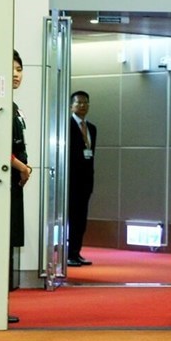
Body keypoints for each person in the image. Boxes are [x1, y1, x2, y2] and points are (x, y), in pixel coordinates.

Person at [9, 50, 32, 324]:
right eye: (12, 68)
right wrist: (22, 168)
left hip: (16, 182)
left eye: (19, 68)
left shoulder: (14, 107)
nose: (16, 74)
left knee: (11, 242)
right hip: (9, 180)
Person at [67, 91, 97, 267]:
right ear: (71, 106)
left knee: (81, 219)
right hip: (71, 181)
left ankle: (76, 253)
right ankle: (69, 254)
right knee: (71, 218)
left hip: (86, 181)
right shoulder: (67, 125)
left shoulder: (92, 128)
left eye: (86, 103)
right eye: (79, 103)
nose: (83, 106)